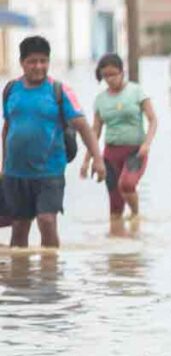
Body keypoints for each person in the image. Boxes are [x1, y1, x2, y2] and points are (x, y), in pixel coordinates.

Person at [1, 35, 105, 248]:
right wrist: (4, 166)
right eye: (32, 61)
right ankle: (21, 279)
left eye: (43, 61)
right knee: (19, 227)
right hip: (15, 173)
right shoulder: (11, 90)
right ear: (22, 63)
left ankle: (50, 274)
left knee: (47, 221)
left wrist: (98, 159)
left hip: (49, 172)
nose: (39, 66)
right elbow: (8, 128)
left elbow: (84, 127)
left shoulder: (59, 91)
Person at [80, 53, 158, 232]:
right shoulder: (101, 100)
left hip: (135, 151)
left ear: (122, 72)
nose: (110, 79)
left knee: (127, 184)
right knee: (115, 208)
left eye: (114, 74)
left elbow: (153, 119)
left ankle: (136, 217)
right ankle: (118, 248)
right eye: (106, 75)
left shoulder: (136, 91)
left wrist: (147, 143)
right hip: (111, 153)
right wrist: (87, 160)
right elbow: (95, 131)